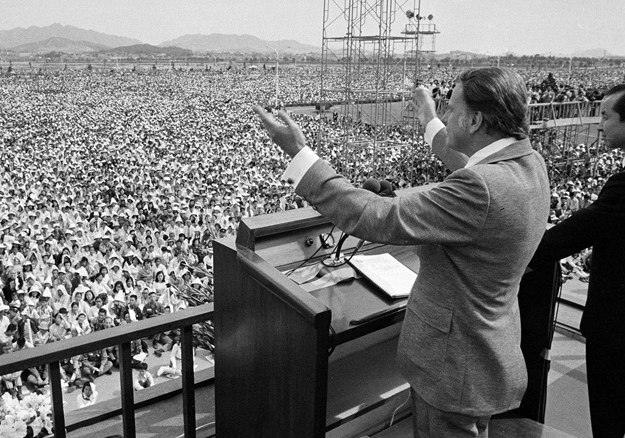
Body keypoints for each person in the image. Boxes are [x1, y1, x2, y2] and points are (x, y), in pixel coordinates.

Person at [255, 66, 551, 438]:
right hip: (485, 350)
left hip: (452, 363)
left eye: (451, 108)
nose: (446, 115)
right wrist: (427, 115)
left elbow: (375, 215)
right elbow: (466, 159)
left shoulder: (480, 189)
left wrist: (299, 154)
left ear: (474, 120)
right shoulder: (527, 165)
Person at [529, 84, 625, 438]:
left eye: (605, 116)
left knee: (609, 418)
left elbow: (569, 235)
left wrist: (513, 251)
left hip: (616, 333)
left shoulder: (622, 187)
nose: (599, 124)